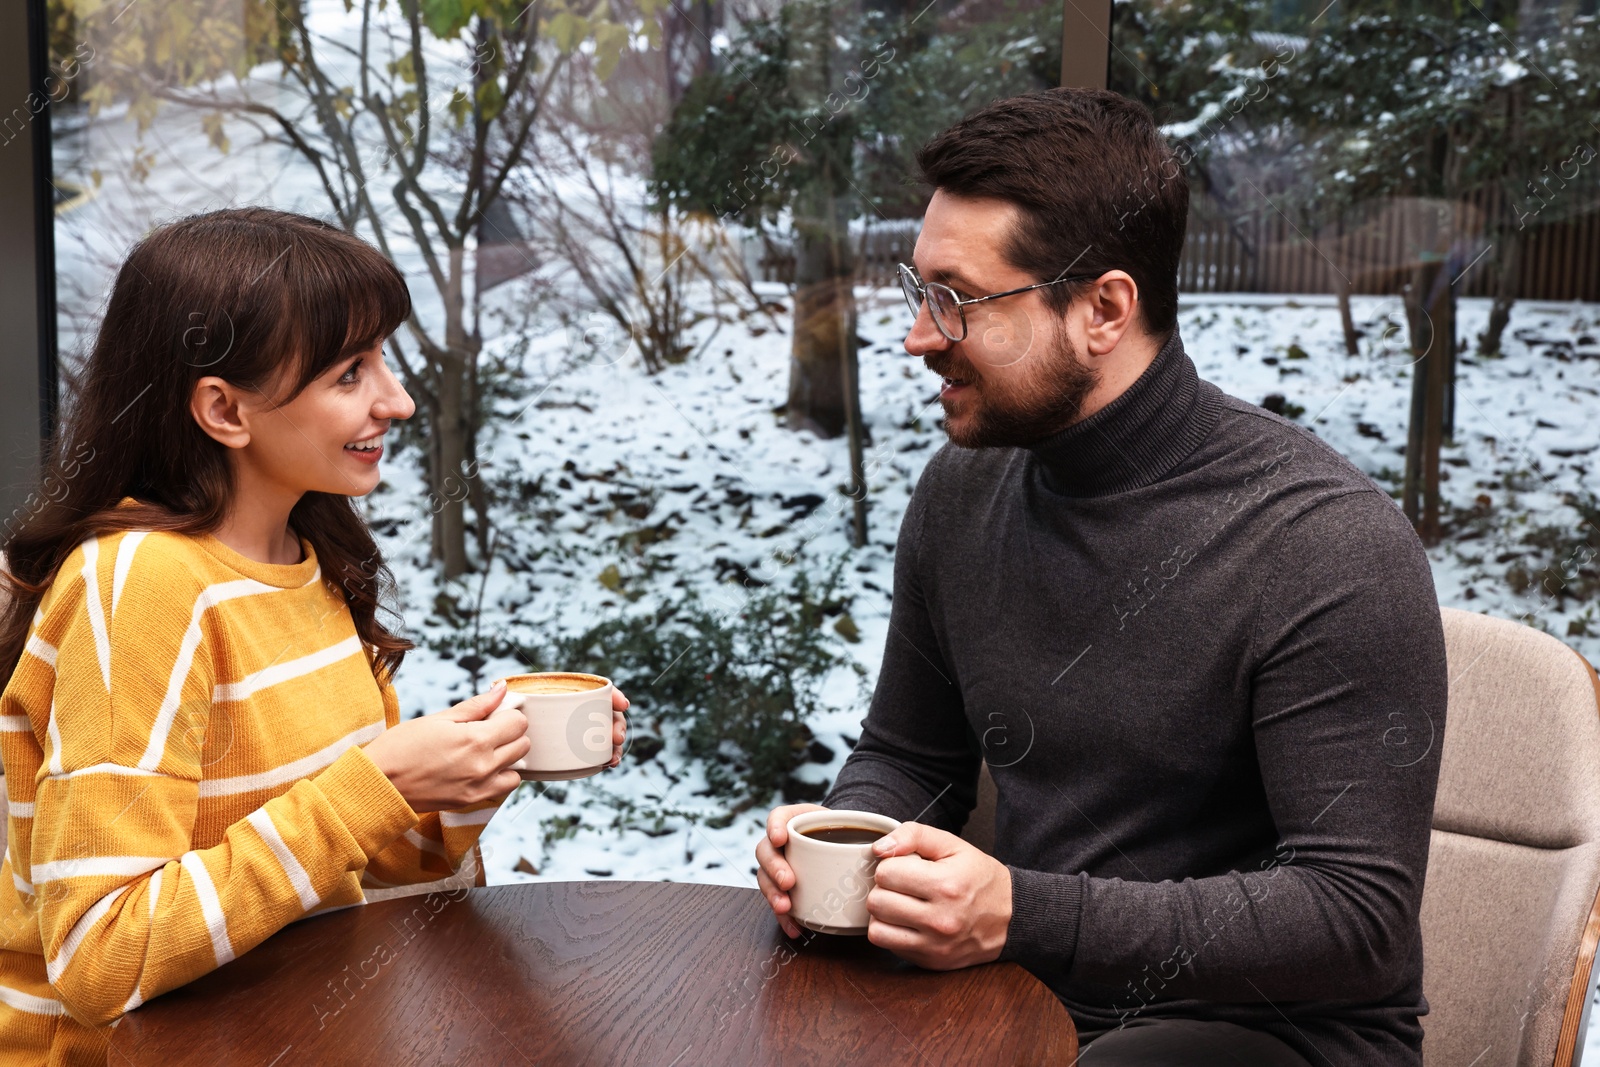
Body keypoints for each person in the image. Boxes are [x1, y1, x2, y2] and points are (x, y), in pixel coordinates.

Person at [755, 87, 1447, 1065]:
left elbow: (1354, 916)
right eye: (919, 293)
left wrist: (1020, 911)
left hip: (1272, 1034)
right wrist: (840, 842)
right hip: (1023, 989)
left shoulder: (1326, 545)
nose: (918, 336)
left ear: (1103, 309)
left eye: (956, 298)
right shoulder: (963, 490)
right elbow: (910, 755)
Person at [0, 208, 628, 1065]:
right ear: (223, 408)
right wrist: (374, 781)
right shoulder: (137, 587)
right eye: (350, 372)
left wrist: (478, 765)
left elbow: (348, 863)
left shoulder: (314, 559)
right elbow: (102, 955)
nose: (398, 400)